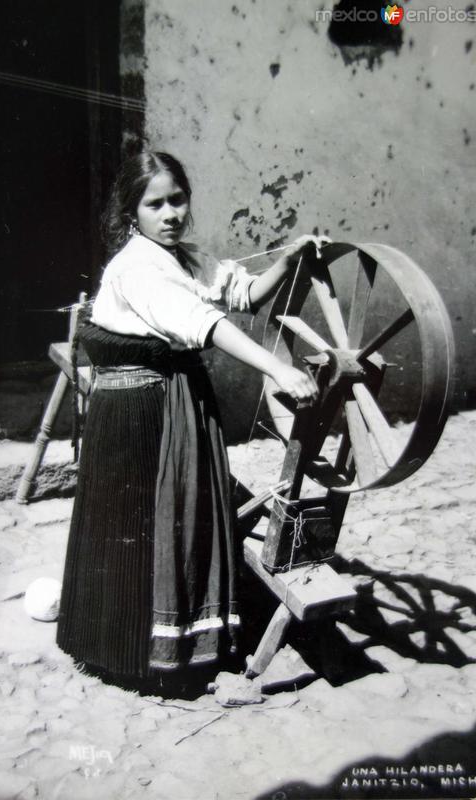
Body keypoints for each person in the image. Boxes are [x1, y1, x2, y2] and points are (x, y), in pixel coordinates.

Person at [56, 151, 328, 694]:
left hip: (180, 399)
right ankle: (129, 652)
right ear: (132, 212)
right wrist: (277, 367)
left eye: (176, 200)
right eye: (154, 204)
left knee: (188, 510)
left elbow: (240, 295)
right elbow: (202, 322)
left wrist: (287, 261)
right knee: (141, 522)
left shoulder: (187, 258)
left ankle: (188, 639)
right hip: (136, 411)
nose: (170, 213)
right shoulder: (135, 266)